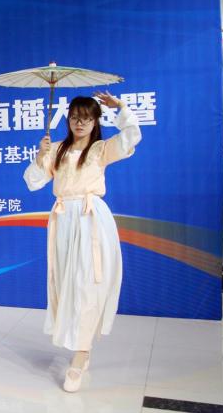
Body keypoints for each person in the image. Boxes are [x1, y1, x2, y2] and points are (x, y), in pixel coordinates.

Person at [23, 92, 141, 392]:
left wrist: (121, 107)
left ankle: (80, 355)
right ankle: (79, 345)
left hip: (91, 220)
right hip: (63, 220)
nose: (80, 123)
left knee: (88, 284)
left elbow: (131, 136)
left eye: (87, 118)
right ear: (68, 119)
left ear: (95, 121)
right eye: (75, 117)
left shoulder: (100, 149)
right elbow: (33, 182)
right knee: (67, 283)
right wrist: (40, 156)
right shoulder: (57, 150)